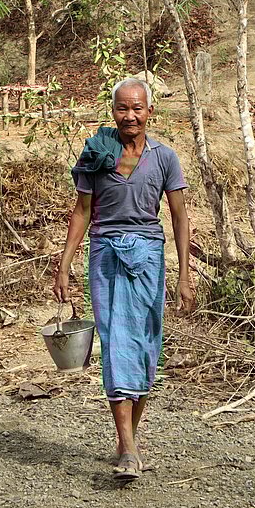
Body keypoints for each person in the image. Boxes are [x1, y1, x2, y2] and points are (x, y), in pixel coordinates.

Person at [52, 77, 194, 482]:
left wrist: (185, 274)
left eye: (137, 108)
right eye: (122, 108)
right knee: (115, 343)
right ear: (112, 111)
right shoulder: (97, 153)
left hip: (149, 256)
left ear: (151, 112)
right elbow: (81, 212)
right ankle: (128, 446)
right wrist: (64, 264)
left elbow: (180, 218)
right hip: (105, 255)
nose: (129, 116)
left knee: (146, 346)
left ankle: (128, 436)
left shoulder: (164, 158)